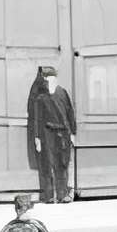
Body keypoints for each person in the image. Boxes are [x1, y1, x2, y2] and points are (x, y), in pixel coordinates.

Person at [25, 65, 77, 204]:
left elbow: (70, 113)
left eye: (50, 78)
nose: (48, 81)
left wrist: (73, 133)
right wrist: (37, 138)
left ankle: (63, 194)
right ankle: (49, 196)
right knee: (47, 164)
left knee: (63, 164)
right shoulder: (40, 97)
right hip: (47, 135)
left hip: (63, 133)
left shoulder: (62, 93)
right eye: (46, 79)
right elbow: (36, 118)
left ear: (54, 78)